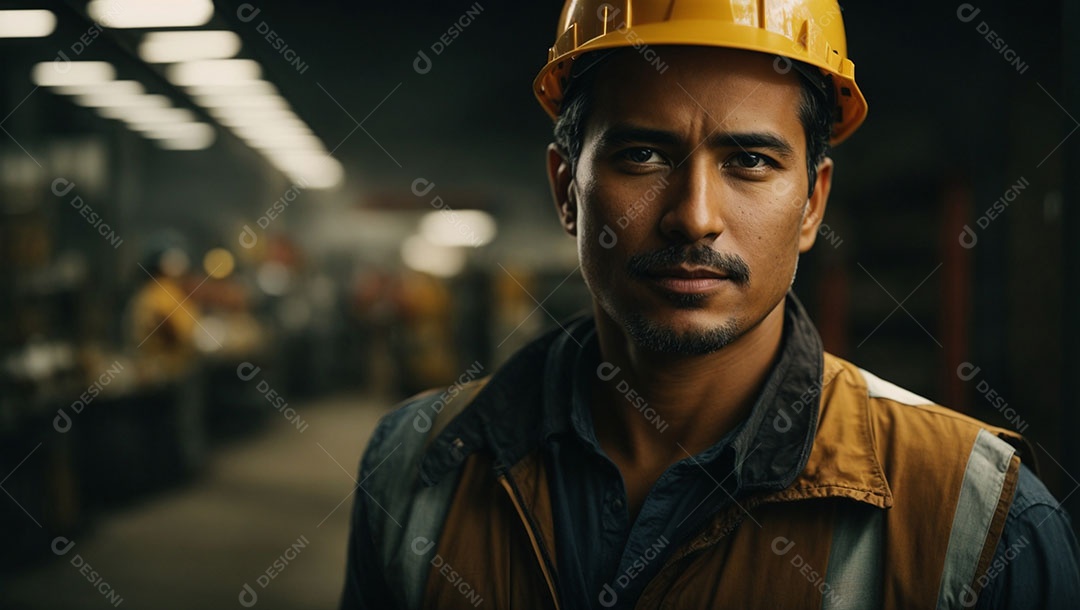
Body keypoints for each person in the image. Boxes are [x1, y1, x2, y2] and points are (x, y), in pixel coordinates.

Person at [339, 1, 1080, 608]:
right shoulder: (417, 466)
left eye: (749, 161)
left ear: (814, 202)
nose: (694, 216)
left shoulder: (980, 519)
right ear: (567, 189)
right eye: (643, 156)